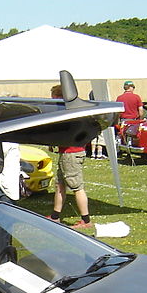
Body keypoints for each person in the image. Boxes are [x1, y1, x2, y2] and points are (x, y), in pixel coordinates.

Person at [48, 84, 91, 229]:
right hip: (66, 153)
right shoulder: (70, 110)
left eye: (53, 96)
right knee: (59, 184)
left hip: (71, 154)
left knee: (76, 186)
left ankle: (86, 220)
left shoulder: (68, 111)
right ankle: (55, 216)